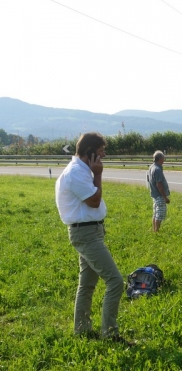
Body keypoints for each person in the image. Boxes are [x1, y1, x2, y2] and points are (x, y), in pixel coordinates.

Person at [54, 132, 130, 345]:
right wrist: (98, 174)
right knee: (115, 281)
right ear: (89, 153)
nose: (103, 156)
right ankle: (110, 334)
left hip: (90, 231)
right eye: (100, 152)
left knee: (86, 284)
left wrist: (94, 172)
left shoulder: (81, 170)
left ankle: (82, 330)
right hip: (85, 233)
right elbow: (94, 202)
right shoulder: (76, 173)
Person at [149, 150, 170, 232]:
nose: (164, 159)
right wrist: (165, 197)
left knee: (155, 212)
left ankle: (154, 229)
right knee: (160, 213)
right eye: (163, 158)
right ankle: (156, 230)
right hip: (159, 195)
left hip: (154, 194)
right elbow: (159, 184)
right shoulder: (157, 169)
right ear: (160, 158)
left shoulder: (152, 167)